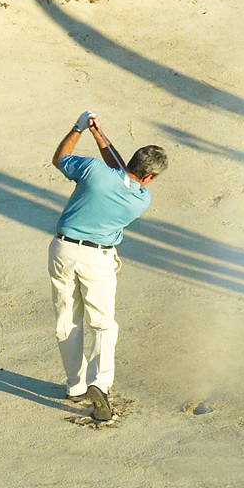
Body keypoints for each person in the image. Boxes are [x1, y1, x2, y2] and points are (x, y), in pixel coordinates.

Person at [48, 107, 169, 426]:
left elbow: (60, 158)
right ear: (149, 177)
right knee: (103, 324)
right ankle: (99, 384)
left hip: (63, 249)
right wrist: (100, 135)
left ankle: (75, 387)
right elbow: (122, 171)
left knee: (67, 319)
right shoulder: (141, 199)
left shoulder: (91, 170)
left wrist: (80, 129)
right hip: (98, 259)